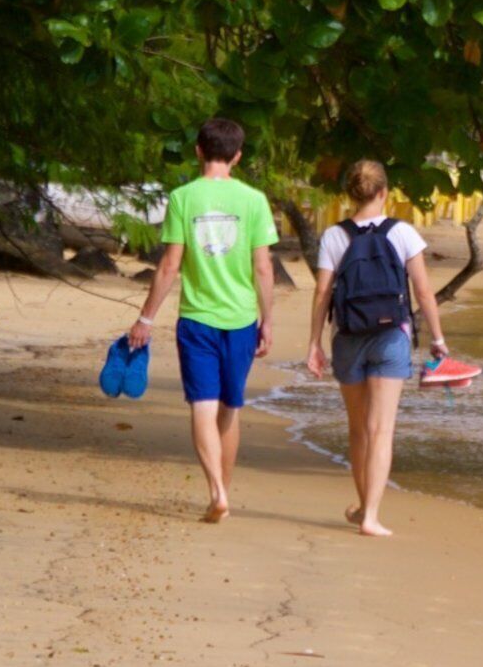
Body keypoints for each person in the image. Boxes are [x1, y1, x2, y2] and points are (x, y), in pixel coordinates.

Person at [126, 116, 278, 522]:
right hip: (242, 320)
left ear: (198, 151)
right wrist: (267, 321)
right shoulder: (254, 200)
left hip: (197, 319)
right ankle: (221, 493)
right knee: (231, 408)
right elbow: (263, 268)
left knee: (203, 406)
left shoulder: (183, 198)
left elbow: (169, 266)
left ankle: (216, 491)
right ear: (238, 156)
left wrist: (145, 318)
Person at [305, 159, 450, 537]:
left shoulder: (335, 236)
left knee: (358, 430)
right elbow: (422, 290)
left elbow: (322, 292)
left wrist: (314, 344)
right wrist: (437, 339)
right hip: (391, 338)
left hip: (348, 337)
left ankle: (363, 507)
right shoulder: (402, 232)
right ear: (384, 193)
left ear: (349, 195)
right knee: (381, 429)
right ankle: (370, 515)